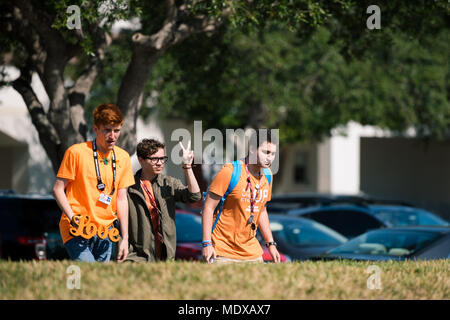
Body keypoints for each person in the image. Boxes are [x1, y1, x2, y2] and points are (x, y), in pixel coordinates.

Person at [52, 103, 135, 262]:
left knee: (99, 282)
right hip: (77, 229)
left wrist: (125, 238)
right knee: (87, 273)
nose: (112, 136)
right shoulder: (76, 152)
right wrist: (72, 218)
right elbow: (57, 189)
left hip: (106, 232)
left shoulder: (123, 157)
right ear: (96, 129)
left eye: (116, 130)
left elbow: (122, 198)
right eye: (107, 130)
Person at [201, 130, 281, 264]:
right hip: (222, 251)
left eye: (273, 154)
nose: (270, 158)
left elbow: (261, 210)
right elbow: (208, 207)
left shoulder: (268, 176)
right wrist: (206, 244)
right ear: (252, 150)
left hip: (252, 253)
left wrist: (270, 244)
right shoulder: (230, 171)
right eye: (266, 152)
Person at [126, 138, 201, 262]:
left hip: (165, 257)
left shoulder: (169, 183)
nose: (160, 163)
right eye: (154, 159)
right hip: (137, 257)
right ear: (141, 160)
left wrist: (187, 166)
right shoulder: (128, 186)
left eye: (162, 159)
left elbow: (194, 196)